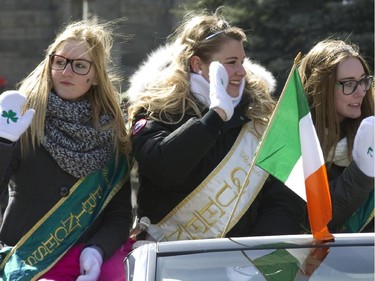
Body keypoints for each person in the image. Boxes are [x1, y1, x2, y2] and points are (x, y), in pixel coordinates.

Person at [125, 10, 305, 242]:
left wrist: (254, 254)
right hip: (170, 261)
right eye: (231, 63)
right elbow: (163, 168)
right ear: (198, 64)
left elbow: (284, 200)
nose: (241, 71)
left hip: (242, 264)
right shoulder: (157, 109)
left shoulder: (257, 114)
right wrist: (215, 116)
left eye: (242, 61)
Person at [0, 19, 133, 281]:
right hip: (27, 260)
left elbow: (120, 214)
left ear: (95, 77)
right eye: (59, 61)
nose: (66, 71)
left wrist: (97, 250)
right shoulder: (24, 118)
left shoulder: (111, 132)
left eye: (79, 65)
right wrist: (3, 143)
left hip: (88, 260)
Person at [298, 39, 374, 233]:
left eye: (364, 81)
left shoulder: (370, 132)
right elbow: (312, 222)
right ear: (321, 88)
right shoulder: (297, 144)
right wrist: (362, 171)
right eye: (349, 84)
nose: (361, 92)